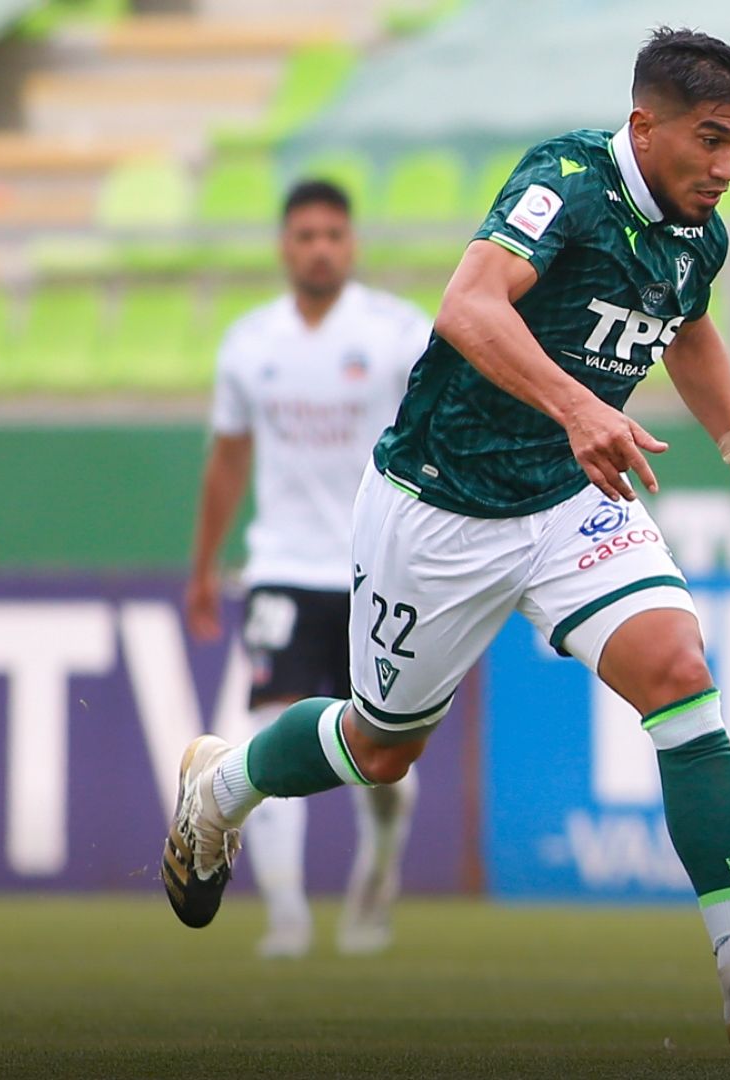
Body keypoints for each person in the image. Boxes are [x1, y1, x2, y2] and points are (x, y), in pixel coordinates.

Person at [162, 28, 730, 1055]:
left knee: (679, 670)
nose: (727, 167)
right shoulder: (563, 180)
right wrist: (577, 406)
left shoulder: (701, 232)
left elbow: (686, 326)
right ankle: (220, 788)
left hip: (570, 500)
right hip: (439, 504)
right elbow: (469, 305)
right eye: (711, 140)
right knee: (383, 749)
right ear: (644, 126)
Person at [186, 179, 428, 959]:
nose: (319, 246)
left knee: (385, 759)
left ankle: (374, 888)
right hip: (283, 569)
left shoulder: (398, 334)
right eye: (305, 235)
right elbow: (228, 460)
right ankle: (286, 914)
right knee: (266, 739)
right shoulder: (249, 344)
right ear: (284, 246)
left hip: (380, 568)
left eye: (332, 233)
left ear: (350, 244)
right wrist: (203, 567)